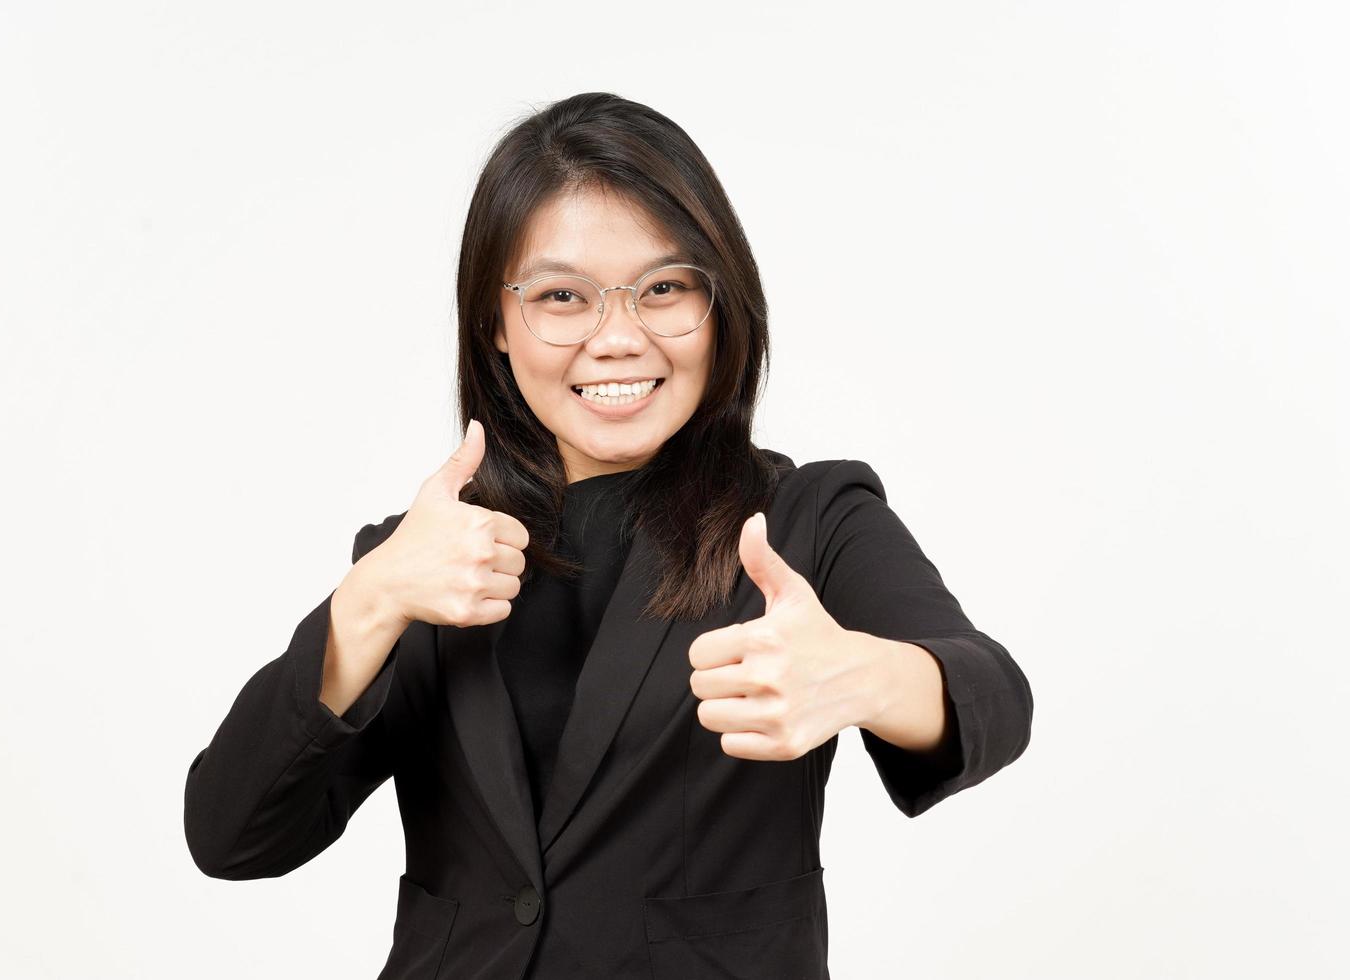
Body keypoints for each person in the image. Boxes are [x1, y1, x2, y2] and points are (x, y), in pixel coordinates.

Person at [183, 91, 1033, 979]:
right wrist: (368, 600)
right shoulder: (429, 555)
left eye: (664, 289)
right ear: (496, 326)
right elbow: (233, 835)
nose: (618, 338)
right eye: (562, 296)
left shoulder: (806, 521)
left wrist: (864, 678)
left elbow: (996, 699)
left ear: (721, 306)